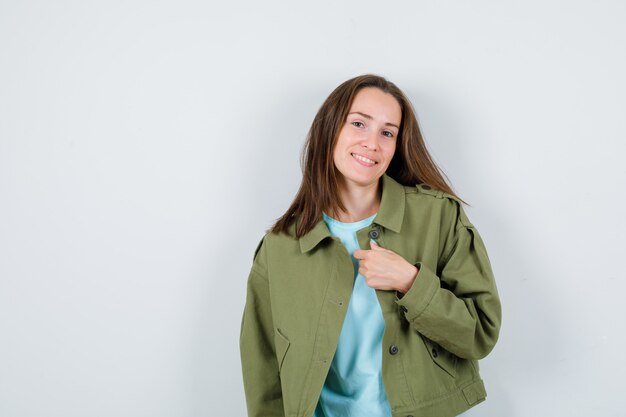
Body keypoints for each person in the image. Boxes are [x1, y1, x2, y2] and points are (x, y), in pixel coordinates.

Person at [239, 74, 502, 417]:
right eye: (359, 124)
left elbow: (480, 334)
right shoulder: (281, 246)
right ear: (330, 129)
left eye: (387, 132)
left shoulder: (438, 216)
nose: (372, 143)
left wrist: (411, 282)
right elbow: (263, 368)